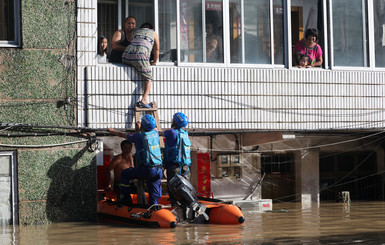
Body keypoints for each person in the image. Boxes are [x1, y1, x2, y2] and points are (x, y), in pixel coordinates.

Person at [108, 114, 163, 205]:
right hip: (159, 170)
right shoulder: (155, 133)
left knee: (125, 174)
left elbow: (125, 135)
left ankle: (126, 197)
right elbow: (143, 135)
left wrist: (113, 131)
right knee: (153, 191)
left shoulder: (138, 136)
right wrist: (139, 128)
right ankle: (154, 207)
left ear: (143, 125)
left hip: (147, 170)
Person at [164, 112, 207, 221]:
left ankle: (177, 213)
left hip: (174, 166)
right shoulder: (185, 133)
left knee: (173, 189)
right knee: (185, 188)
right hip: (185, 168)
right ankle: (189, 211)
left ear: (174, 121)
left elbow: (156, 132)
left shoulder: (171, 133)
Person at [122, 23, 160, 108]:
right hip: (140, 56)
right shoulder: (153, 33)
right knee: (148, 78)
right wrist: (154, 62)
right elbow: (157, 49)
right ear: (151, 29)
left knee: (138, 64)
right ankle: (144, 100)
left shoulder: (137, 32)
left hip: (126, 55)